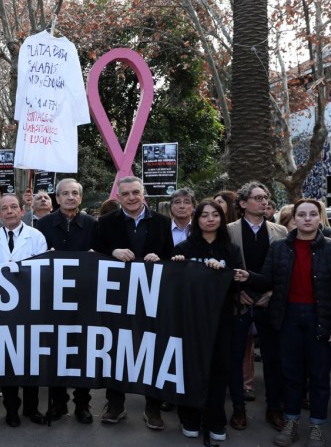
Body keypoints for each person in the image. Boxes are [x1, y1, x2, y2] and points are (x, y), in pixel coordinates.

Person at [257, 199, 331, 447]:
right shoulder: (278, 247)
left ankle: (317, 427)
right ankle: (291, 423)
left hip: (320, 317)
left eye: (312, 214)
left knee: (319, 375)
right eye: (301, 214)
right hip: (288, 317)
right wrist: (244, 277)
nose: (307, 219)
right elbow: (266, 279)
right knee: (291, 374)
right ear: (294, 218)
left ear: (320, 218)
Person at [171, 199, 261, 443]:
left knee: (220, 369)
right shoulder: (184, 248)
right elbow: (173, 287)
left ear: (222, 219)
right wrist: (177, 266)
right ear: (197, 219)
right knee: (191, 368)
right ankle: (190, 417)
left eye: (215, 215)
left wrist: (224, 274)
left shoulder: (231, 250)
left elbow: (239, 283)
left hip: (223, 319)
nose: (210, 219)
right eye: (204, 215)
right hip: (191, 320)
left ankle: (215, 419)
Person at [95, 176, 173, 430]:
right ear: (118, 197)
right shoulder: (106, 222)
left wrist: (159, 258)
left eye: (135, 192)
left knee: (152, 348)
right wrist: (112, 252)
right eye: (126, 193)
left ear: (143, 194)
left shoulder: (162, 222)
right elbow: (94, 253)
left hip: (152, 297)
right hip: (116, 297)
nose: (131, 197)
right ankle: (115, 404)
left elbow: (171, 256)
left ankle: (153, 407)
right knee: (116, 348)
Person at [226, 182, 289, 431]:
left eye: (266, 198)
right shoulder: (228, 230)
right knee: (235, 358)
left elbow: (286, 269)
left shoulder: (280, 231)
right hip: (239, 303)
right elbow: (223, 266)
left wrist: (272, 293)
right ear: (243, 203)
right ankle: (238, 409)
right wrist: (236, 292)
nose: (264, 202)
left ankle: (274, 408)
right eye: (258, 198)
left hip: (269, 304)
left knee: (273, 359)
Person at [35, 178, 98, 424]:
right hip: (53, 299)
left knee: (83, 351)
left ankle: (82, 404)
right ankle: (58, 403)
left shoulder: (93, 224)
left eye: (75, 193)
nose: (70, 197)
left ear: (80, 197)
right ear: (57, 198)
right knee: (55, 350)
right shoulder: (43, 224)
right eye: (65, 193)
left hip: (84, 298)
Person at [0, 193, 48, 427]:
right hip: (2, 308)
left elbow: (44, 268)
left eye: (14, 207)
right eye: (4, 208)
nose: (9, 211)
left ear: (22, 211)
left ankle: (32, 408)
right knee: (7, 360)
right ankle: (11, 409)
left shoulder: (36, 236)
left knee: (31, 360)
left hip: (31, 307)